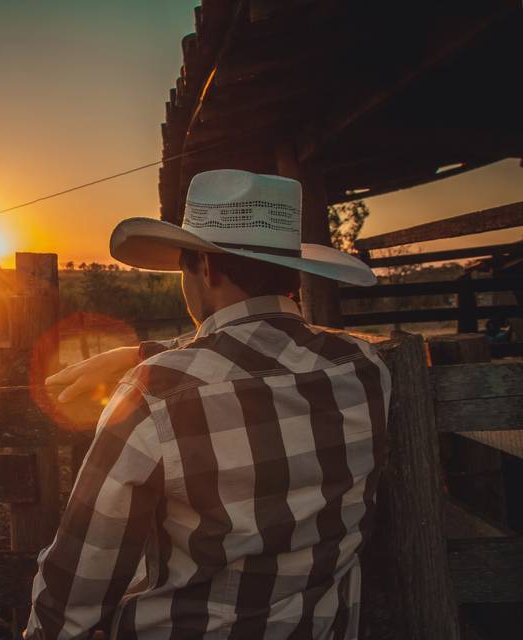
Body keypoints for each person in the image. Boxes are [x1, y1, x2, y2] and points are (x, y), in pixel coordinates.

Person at [24, 169, 391, 640]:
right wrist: (141, 351)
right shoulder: (365, 369)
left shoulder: (156, 395)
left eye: (184, 265)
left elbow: (78, 580)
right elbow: (261, 349)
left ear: (207, 267)